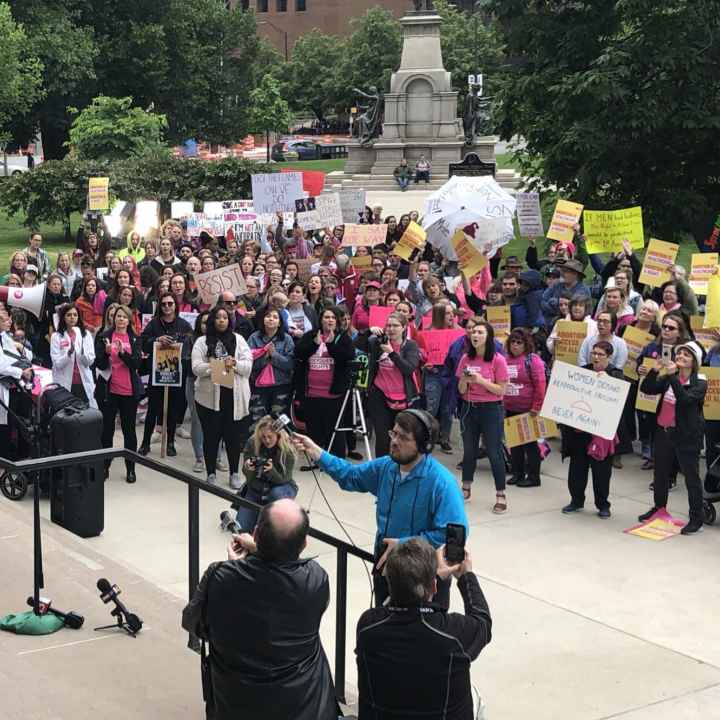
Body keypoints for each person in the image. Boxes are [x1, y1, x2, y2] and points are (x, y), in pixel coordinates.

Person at [292, 409, 468, 608]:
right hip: (387, 569)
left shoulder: (442, 483)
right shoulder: (386, 467)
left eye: (403, 437)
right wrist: (316, 451)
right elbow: (350, 475)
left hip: (425, 578)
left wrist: (405, 544)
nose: (394, 441)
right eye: (394, 433)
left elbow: (454, 535)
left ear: (424, 445)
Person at [182, 499, 338, 720]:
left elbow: (193, 623)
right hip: (304, 707)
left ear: (255, 532)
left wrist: (236, 567)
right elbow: (284, 571)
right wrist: (257, 553)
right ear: (304, 544)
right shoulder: (315, 579)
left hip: (236, 704)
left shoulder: (220, 576)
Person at [356, 539, 492, 720]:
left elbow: (393, 603)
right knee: (476, 696)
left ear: (390, 583)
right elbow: (483, 622)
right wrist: (467, 576)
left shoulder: (368, 626)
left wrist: (426, 578)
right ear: (435, 586)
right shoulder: (453, 634)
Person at [638, 341, 707, 535]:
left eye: (686, 355)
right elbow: (648, 389)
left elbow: (685, 401)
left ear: (694, 362)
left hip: (686, 436)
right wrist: (655, 370)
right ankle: (659, 508)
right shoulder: (671, 377)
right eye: (679, 353)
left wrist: (671, 377)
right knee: (660, 473)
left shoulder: (700, 382)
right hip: (663, 431)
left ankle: (696, 518)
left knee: (691, 478)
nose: (681, 356)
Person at [191, 305, 253, 486]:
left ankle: (234, 473)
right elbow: (196, 367)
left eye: (225, 318)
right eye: (217, 317)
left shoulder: (239, 340)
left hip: (234, 399)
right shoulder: (202, 342)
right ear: (212, 320)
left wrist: (234, 364)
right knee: (211, 438)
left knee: (233, 439)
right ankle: (211, 473)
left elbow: (248, 365)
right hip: (209, 401)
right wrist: (215, 366)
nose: (221, 320)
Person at [560, 341, 621, 518]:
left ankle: (603, 505)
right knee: (577, 468)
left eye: (600, 354)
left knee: (601, 471)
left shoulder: (616, 375)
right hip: (580, 430)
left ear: (609, 357)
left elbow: (619, 401)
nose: (595, 357)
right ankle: (576, 500)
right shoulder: (583, 372)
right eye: (593, 353)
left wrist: (607, 382)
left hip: (601, 433)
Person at [456, 320, 509, 511]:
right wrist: (464, 379)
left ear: (488, 337)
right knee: (469, 450)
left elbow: (500, 390)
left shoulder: (497, 360)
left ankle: (500, 494)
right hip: (469, 408)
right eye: (473, 332)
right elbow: (461, 390)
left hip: (491, 409)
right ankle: (466, 487)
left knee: (494, 452)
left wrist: (480, 380)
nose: (475, 335)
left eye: (479, 332)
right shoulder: (465, 359)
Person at [294, 306, 355, 460]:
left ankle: (336, 461)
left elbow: (348, 356)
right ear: (321, 320)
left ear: (337, 321)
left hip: (333, 394)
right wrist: (314, 344)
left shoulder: (342, 337)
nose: (330, 320)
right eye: (326, 317)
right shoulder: (311, 335)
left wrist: (331, 345)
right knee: (314, 429)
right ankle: (315, 460)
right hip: (311, 392)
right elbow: (298, 353)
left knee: (333, 428)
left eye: (333, 318)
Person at [138, 293, 193, 457]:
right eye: (164, 304)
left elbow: (189, 346)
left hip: (175, 374)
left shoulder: (184, 325)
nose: (167, 307)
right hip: (157, 373)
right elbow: (144, 343)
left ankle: (170, 442)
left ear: (175, 305)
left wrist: (178, 342)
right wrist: (157, 340)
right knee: (152, 410)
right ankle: (145, 443)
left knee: (172, 411)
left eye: (170, 304)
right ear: (160, 306)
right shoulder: (154, 324)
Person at [94, 305, 143, 483]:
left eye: (124, 317)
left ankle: (131, 468)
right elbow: (98, 364)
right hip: (109, 391)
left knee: (129, 431)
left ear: (129, 320)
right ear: (113, 319)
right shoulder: (104, 337)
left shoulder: (135, 339)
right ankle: (105, 465)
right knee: (107, 431)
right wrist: (106, 354)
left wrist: (122, 353)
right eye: (117, 316)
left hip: (129, 392)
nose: (120, 319)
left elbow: (136, 364)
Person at [366, 312, 421, 458]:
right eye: (388, 325)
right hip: (380, 394)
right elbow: (356, 345)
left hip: (403, 397)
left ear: (404, 328)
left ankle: (399, 466)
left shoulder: (411, 346)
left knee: (401, 436)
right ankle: (381, 469)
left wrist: (392, 353)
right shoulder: (378, 342)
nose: (391, 329)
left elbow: (409, 368)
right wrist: (368, 331)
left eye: (395, 326)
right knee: (383, 437)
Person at [235, 415, 298, 530]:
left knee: (275, 495)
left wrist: (271, 471)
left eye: (270, 436)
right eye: (263, 437)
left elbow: (285, 478)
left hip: (281, 486)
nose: (266, 440)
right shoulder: (252, 442)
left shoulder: (287, 449)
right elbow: (248, 477)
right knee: (241, 527)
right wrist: (248, 468)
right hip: (256, 488)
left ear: (278, 434)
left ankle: (281, 511)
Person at [504, 328, 547, 488]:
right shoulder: (505, 359)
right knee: (514, 444)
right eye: (513, 342)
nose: (515, 346)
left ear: (525, 344)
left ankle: (534, 477)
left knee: (530, 445)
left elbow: (540, 384)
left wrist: (536, 407)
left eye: (519, 343)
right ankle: (518, 473)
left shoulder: (532, 360)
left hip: (529, 409)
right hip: (510, 407)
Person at [247, 308, 295, 428]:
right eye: (268, 316)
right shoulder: (254, 338)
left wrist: (274, 355)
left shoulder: (287, 339)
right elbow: (248, 364)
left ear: (279, 323)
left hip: (281, 386)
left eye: (275, 317)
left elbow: (290, 364)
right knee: (257, 423)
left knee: (280, 423)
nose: (271, 319)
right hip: (258, 387)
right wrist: (264, 358)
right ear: (263, 319)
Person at [50, 303, 96, 406]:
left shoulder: (86, 335)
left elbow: (90, 361)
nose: (72, 318)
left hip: (82, 383)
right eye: (69, 315)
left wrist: (83, 353)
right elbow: (57, 364)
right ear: (63, 318)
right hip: (65, 382)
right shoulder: (56, 337)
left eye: (75, 315)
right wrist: (69, 353)